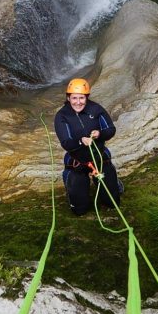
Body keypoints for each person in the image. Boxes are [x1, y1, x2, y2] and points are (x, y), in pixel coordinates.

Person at [54, 78, 121, 215]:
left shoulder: (96, 109)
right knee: (79, 210)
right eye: (74, 98)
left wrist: (100, 134)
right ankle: (70, 182)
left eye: (81, 98)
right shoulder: (62, 116)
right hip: (78, 162)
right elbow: (66, 142)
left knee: (113, 203)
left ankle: (115, 183)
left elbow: (111, 129)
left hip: (99, 158)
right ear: (68, 98)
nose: (78, 102)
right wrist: (80, 141)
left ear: (87, 97)